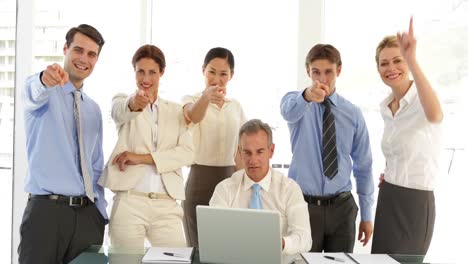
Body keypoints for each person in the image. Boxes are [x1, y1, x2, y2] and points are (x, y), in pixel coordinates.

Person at [19, 24, 107, 263]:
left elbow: (95, 165)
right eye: (78, 50)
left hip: (88, 218)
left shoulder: (93, 109)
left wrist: (99, 212)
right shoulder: (43, 91)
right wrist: (45, 80)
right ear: (66, 49)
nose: (84, 58)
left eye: (91, 54)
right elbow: (34, 90)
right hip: (47, 215)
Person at [280, 44, 374, 252]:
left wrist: (367, 215)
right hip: (304, 207)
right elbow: (287, 112)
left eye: (328, 72)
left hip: (342, 208)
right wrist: (307, 95)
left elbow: (363, 165)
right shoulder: (297, 103)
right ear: (308, 72)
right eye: (316, 72)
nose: (322, 79)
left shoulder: (353, 113)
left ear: (338, 70)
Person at [98, 44, 193, 248]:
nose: (146, 78)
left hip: (167, 205)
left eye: (152, 72)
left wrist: (140, 158)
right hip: (130, 202)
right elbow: (121, 111)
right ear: (134, 71)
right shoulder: (122, 100)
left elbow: (187, 154)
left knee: (175, 262)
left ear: (162, 73)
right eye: (140, 71)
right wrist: (135, 102)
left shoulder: (176, 111)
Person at [371, 18, 443, 255]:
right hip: (389, 196)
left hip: (416, 203)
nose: (391, 68)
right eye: (384, 63)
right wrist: (391, 174)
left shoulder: (423, 98)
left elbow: (434, 115)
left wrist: (412, 58)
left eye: (397, 61)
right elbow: (399, 150)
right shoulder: (385, 108)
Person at [210, 119, 312, 255]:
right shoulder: (224, 189)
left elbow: (304, 239)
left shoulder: (289, 189)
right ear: (240, 152)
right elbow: (214, 237)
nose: (253, 160)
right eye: (247, 152)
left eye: (259, 152)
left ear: (271, 151)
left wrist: (280, 243)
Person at [182, 47, 246, 247]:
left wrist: (245, 186)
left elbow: (241, 149)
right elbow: (193, 116)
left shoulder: (235, 106)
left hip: (230, 178)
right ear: (203, 70)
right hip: (199, 179)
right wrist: (206, 98)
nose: (217, 78)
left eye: (223, 74)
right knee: (198, 246)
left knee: (227, 245)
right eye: (212, 72)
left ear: (231, 76)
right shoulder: (191, 100)